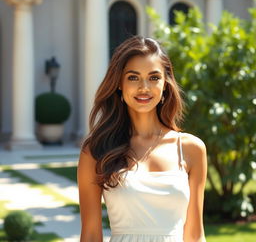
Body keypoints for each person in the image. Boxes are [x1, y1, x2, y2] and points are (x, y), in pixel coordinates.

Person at [78, 36, 207, 242]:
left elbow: (194, 234)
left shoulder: (191, 149)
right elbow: (91, 235)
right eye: (133, 77)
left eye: (154, 77)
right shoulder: (96, 151)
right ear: (119, 83)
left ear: (166, 84)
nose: (144, 87)